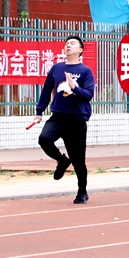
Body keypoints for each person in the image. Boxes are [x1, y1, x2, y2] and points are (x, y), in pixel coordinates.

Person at [32, 35, 95, 204]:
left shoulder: (85, 71)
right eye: (67, 43)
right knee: (44, 139)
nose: (68, 45)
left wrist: (74, 87)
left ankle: (82, 191)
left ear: (80, 50)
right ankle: (61, 160)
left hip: (76, 120)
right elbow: (46, 91)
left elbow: (89, 95)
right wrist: (39, 111)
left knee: (78, 161)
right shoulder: (56, 68)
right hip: (58, 117)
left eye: (72, 43)